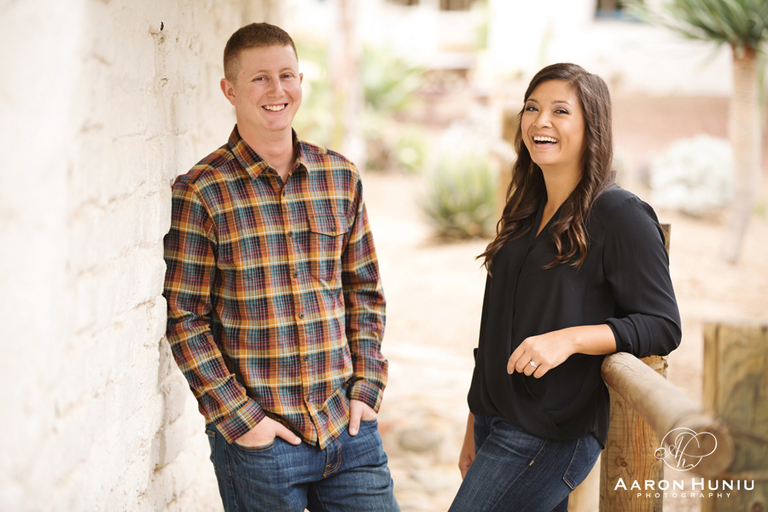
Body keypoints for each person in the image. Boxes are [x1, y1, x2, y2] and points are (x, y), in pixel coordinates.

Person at [163, 22, 399, 512]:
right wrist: (242, 421)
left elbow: (364, 291)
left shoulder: (340, 177)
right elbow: (186, 318)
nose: (277, 90)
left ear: (300, 80)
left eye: (287, 75)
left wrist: (367, 389)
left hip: (347, 429)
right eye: (260, 79)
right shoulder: (202, 191)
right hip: (262, 445)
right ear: (229, 89)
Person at [448, 63, 682, 512]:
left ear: (592, 125)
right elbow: (492, 328)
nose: (541, 122)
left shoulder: (621, 215)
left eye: (560, 111)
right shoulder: (523, 209)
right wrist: (475, 418)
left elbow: (662, 325)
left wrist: (572, 339)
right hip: (496, 420)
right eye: (532, 108)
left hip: (549, 432)